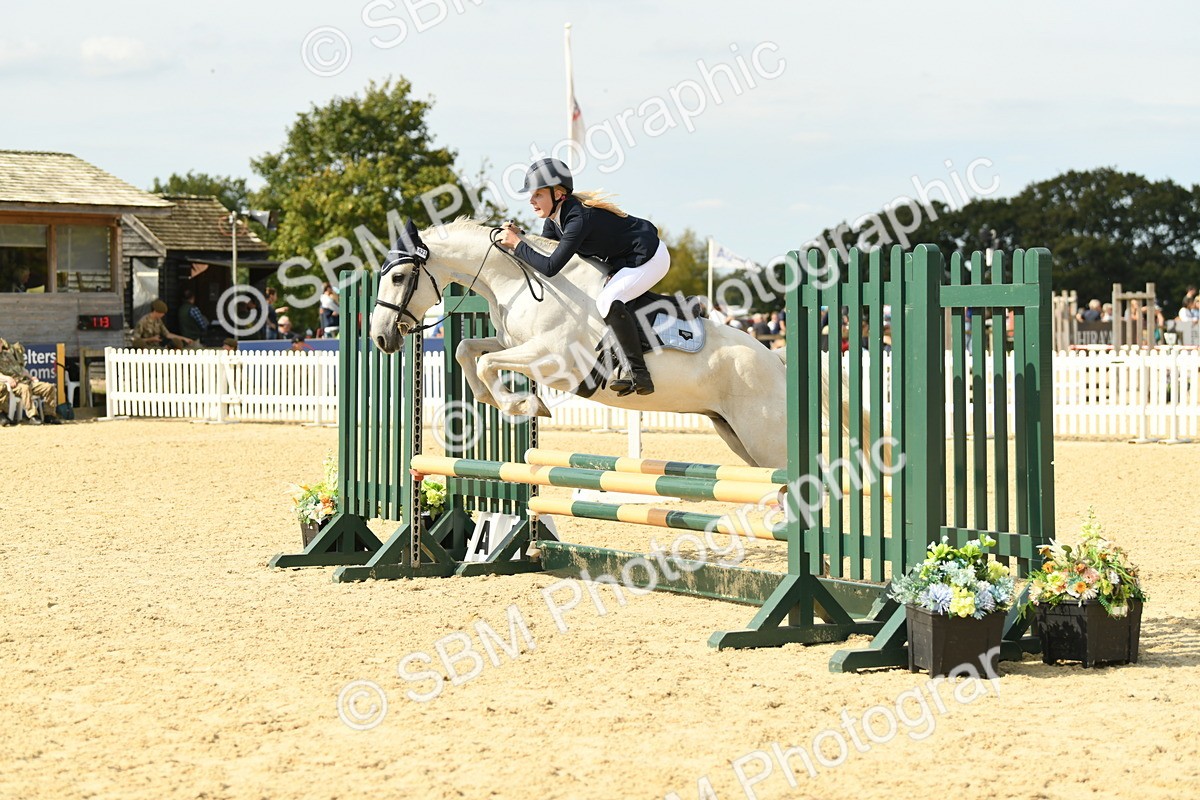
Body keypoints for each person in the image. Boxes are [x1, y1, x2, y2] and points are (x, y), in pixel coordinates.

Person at [499, 158, 669, 396]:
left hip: (649, 257)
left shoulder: (578, 218)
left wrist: (517, 246)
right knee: (609, 297)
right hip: (623, 260)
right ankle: (686, 307)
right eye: (532, 194)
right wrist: (523, 238)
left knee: (607, 300)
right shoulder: (555, 220)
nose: (531, 200)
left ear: (558, 194)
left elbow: (550, 267)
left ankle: (639, 374)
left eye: (538, 194)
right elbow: (546, 253)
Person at [0, 338, 59, 424]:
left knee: (49, 387)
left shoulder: (8, 355)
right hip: (14, 384)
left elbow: (20, 369)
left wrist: (31, 377)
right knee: (25, 388)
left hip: (25, 380)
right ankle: (33, 416)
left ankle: (49, 416)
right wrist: (7, 378)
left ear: (1, 344)